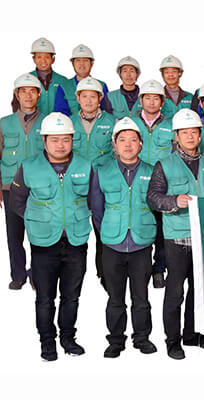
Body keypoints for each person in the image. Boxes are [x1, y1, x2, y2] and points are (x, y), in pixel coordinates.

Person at [10, 112, 93, 361]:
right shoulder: (28, 166)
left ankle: (68, 339)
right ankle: (47, 342)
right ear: (44, 140)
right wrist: (38, 220)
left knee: (71, 297)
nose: (60, 145)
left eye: (66, 139)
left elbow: (94, 200)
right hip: (44, 244)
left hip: (76, 241)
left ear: (72, 140)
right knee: (45, 298)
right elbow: (17, 201)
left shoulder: (85, 166)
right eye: (54, 139)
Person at [147, 109, 204, 360]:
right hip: (176, 238)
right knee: (175, 291)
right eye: (184, 132)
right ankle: (173, 340)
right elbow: (152, 197)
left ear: (200, 135)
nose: (189, 136)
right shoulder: (164, 165)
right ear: (176, 136)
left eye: (194, 132)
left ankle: (192, 334)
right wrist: (174, 201)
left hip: (202, 237)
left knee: (198, 290)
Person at [90, 117, 157, 358]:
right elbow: (97, 209)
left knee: (141, 298)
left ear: (141, 143)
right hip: (112, 245)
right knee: (115, 298)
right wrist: (110, 230)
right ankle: (116, 341)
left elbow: (157, 209)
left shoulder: (152, 171)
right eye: (122, 140)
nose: (128, 145)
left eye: (133, 140)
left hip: (141, 243)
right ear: (114, 145)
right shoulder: (102, 171)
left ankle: (142, 338)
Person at [0, 73, 45, 290]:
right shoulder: (5, 123)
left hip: (39, 187)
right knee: (14, 235)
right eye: (23, 91)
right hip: (10, 187)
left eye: (32, 91)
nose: (28, 95)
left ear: (38, 95)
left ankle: (37, 274)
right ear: (17, 95)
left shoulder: (48, 121)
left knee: (40, 233)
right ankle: (18, 274)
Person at [70, 77, 116, 289]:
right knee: (75, 231)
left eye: (93, 96)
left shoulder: (112, 122)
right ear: (78, 98)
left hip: (102, 185)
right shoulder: (69, 122)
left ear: (100, 98)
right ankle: (74, 275)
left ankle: (105, 274)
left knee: (103, 230)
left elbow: (118, 155)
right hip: (75, 185)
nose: (89, 101)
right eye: (84, 96)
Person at [131, 79, 173, 289]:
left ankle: (159, 268)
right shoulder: (131, 123)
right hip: (136, 180)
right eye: (147, 98)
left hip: (162, 183)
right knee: (141, 224)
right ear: (141, 100)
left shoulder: (170, 125)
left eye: (156, 98)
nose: (151, 102)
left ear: (162, 102)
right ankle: (142, 269)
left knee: (162, 229)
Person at [12, 38, 69, 116]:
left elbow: (70, 107)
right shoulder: (24, 80)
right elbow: (16, 106)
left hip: (58, 123)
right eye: (39, 57)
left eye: (47, 57)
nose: (43, 61)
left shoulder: (63, 81)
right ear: (33, 59)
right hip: (33, 122)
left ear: (53, 59)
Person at [54, 44, 110, 116]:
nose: (82, 64)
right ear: (73, 64)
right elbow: (60, 112)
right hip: (69, 123)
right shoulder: (64, 86)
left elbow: (106, 111)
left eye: (85, 60)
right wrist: (76, 121)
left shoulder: (101, 85)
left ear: (91, 64)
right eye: (78, 60)